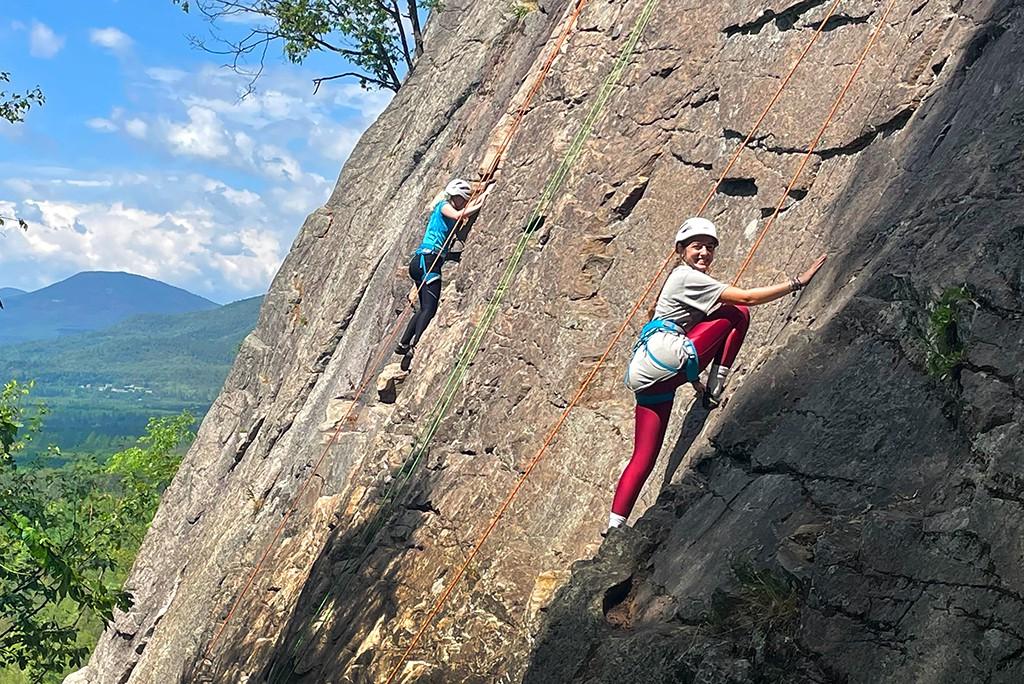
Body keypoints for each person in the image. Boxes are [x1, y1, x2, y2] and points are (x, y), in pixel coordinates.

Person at [607, 217, 827, 531]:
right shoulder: (686, 277)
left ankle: (614, 527)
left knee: (643, 457)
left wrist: (691, 380)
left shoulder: (678, 280)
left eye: (710, 248)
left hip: (649, 373)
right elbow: (747, 298)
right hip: (669, 358)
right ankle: (717, 384)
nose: (705, 254)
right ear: (680, 251)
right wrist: (797, 283)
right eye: (697, 247)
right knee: (737, 311)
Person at [395, 178, 492, 370]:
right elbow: (459, 215)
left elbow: (463, 211)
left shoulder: (446, 208)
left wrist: (482, 194)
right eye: (463, 199)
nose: (465, 203)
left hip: (422, 261)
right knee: (429, 309)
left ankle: (403, 343)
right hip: (428, 261)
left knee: (423, 308)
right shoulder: (443, 206)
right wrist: (482, 202)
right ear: (456, 197)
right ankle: (414, 346)